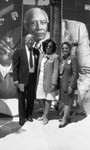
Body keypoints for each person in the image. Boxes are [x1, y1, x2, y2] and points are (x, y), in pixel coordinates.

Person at [62, 19, 90, 114]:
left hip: (70, 87)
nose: (39, 27)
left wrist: (76, 104)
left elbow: (85, 72)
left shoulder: (77, 28)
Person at [12, 34, 40, 126]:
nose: (31, 41)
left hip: (32, 79)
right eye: (29, 40)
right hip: (21, 80)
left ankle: (28, 115)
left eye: (32, 40)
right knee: (21, 98)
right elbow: (15, 67)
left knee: (31, 98)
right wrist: (15, 79)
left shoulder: (36, 52)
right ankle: (22, 117)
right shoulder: (19, 51)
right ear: (25, 41)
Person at [36, 39, 59, 125]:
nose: (48, 47)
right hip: (40, 80)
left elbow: (55, 71)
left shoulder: (55, 57)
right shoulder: (41, 55)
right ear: (44, 47)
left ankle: (45, 116)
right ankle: (44, 112)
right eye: (47, 46)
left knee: (48, 98)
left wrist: (54, 83)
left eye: (50, 46)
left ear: (53, 48)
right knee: (39, 96)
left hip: (49, 81)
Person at [58, 42, 79, 128]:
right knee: (65, 101)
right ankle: (68, 116)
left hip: (69, 84)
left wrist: (71, 86)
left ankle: (64, 120)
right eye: (63, 48)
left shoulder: (73, 58)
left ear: (69, 49)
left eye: (66, 48)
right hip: (62, 84)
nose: (64, 49)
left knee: (67, 102)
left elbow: (75, 73)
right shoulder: (62, 58)